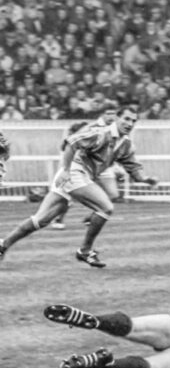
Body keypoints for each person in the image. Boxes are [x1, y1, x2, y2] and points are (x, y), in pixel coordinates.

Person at [0, 105, 158, 267]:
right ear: (116, 119)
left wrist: (146, 179)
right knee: (106, 207)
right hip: (74, 172)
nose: (130, 123)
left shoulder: (126, 145)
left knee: (41, 220)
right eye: (126, 119)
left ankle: (3, 245)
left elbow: (134, 169)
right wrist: (67, 170)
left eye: (133, 121)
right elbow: (71, 143)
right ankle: (85, 250)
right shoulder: (101, 132)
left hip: (78, 176)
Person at [51, 108, 125, 230]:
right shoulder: (91, 128)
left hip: (102, 166)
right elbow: (71, 142)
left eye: (114, 114)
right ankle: (59, 218)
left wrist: (117, 167)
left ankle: (90, 218)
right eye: (108, 113)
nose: (111, 117)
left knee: (113, 194)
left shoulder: (115, 130)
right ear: (103, 115)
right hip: (85, 165)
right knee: (70, 195)